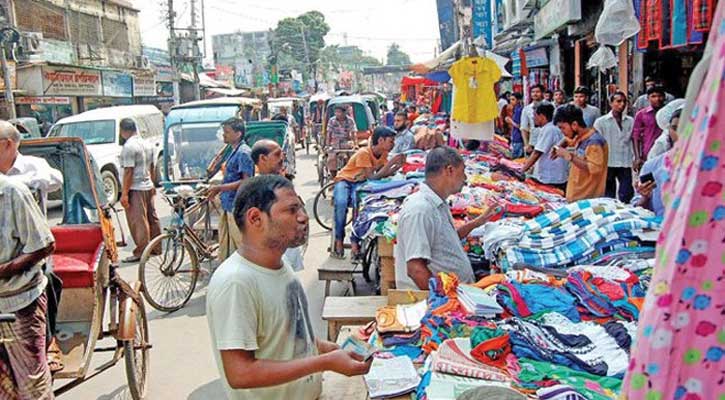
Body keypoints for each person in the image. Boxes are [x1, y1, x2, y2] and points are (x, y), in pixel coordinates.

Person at [206, 175, 372, 400]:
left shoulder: (281, 268)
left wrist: (329, 349)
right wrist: (324, 362)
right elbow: (240, 373)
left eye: (301, 208)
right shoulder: (236, 282)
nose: (303, 217)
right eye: (292, 210)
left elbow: (290, 340)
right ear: (256, 218)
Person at [0, 121, 64, 373]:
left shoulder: (33, 167)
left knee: (47, 279)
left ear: (7, 144)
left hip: (31, 246)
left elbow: (55, 179)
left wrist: (17, 183)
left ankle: (51, 341)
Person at [395, 147, 499, 290]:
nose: (465, 179)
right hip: (435, 304)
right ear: (449, 170)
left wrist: (477, 222)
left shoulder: (437, 203)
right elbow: (415, 269)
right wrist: (446, 300)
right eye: (462, 172)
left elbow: (447, 240)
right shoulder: (420, 210)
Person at [0, 174, 56, 400]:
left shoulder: (13, 192)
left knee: (31, 386)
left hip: (20, 301)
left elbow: (44, 245)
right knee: (5, 388)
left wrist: (4, 270)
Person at [332, 128, 403, 259]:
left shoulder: (383, 155)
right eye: (391, 141)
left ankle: (355, 241)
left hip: (360, 182)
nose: (393, 144)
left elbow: (383, 174)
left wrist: (396, 167)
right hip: (345, 181)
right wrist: (391, 165)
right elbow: (372, 177)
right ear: (381, 141)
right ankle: (339, 240)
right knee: (341, 204)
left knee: (359, 203)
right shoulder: (364, 153)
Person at [251, 140, 304, 272]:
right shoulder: (255, 188)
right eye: (277, 155)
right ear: (263, 158)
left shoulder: (281, 181)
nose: (282, 158)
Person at [208, 118, 255, 261]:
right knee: (227, 246)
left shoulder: (243, 153)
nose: (224, 135)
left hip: (237, 206)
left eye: (227, 132)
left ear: (238, 134)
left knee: (241, 247)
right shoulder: (233, 151)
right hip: (228, 204)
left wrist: (219, 187)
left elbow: (246, 181)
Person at [118, 118, 160, 263]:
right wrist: (153, 184)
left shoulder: (129, 147)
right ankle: (156, 247)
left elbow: (128, 172)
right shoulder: (147, 143)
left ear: (123, 131)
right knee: (151, 217)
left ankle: (142, 251)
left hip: (135, 188)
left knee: (138, 220)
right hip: (147, 185)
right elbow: (152, 167)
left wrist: (124, 194)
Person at [552, 105, 609, 202]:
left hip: (587, 198)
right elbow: (569, 141)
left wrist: (569, 157)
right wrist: (560, 146)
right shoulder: (581, 136)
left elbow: (594, 169)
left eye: (563, 128)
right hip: (576, 195)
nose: (562, 132)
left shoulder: (594, 142)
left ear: (574, 125)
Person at [631, 109, 680, 217]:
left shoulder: (710, 168)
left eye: (686, 128)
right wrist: (645, 197)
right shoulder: (652, 166)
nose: (680, 133)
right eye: (675, 128)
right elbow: (638, 209)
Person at [593, 91, 635, 203]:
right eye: (618, 101)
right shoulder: (601, 122)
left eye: (624, 101)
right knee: (608, 194)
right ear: (611, 103)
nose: (622, 104)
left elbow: (633, 140)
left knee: (626, 193)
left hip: (625, 161)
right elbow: (596, 144)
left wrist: (636, 158)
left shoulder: (630, 121)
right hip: (608, 162)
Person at [521, 103, 569, 192]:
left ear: (542, 116)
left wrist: (521, 171)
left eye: (534, 115)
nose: (533, 118)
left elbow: (537, 153)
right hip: (554, 175)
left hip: (551, 177)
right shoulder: (551, 128)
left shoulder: (549, 129)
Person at [632, 86, 666, 172]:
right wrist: (637, 157)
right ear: (648, 98)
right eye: (653, 96)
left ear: (664, 97)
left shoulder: (669, 113)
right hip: (647, 154)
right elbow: (636, 136)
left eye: (659, 96)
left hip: (666, 153)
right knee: (647, 182)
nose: (657, 99)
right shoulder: (641, 114)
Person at [326, 106, 358, 175]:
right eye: (336, 112)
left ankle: (351, 171)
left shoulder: (350, 120)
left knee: (353, 155)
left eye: (339, 112)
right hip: (335, 142)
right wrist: (327, 145)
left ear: (344, 113)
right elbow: (329, 133)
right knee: (331, 158)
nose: (337, 114)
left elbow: (353, 133)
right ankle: (333, 175)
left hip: (346, 141)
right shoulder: (332, 120)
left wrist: (355, 144)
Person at [520, 84, 545, 154]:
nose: (535, 94)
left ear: (542, 93)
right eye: (533, 92)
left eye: (537, 92)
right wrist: (526, 144)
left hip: (548, 141)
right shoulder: (527, 109)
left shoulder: (550, 106)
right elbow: (523, 128)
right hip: (534, 142)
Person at [504, 92, 524, 158]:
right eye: (510, 100)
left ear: (518, 100)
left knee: (516, 159)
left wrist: (510, 121)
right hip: (515, 137)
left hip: (518, 138)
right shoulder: (515, 109)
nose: (511, 101)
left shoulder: (519, 110)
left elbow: (520, 126)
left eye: (513, 99)